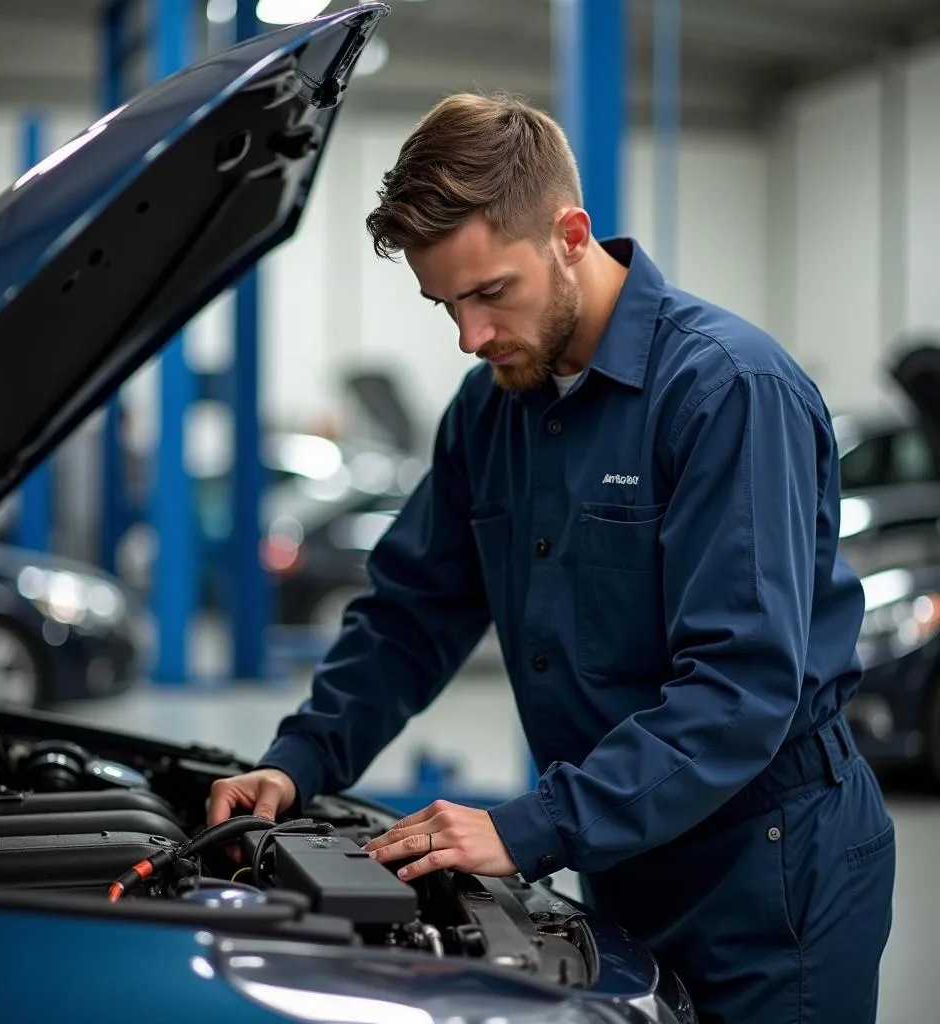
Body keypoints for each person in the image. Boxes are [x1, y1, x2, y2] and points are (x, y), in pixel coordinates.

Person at [207, 93, 896, 1023]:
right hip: (621, 858)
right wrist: (298, 761)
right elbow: (410, 614)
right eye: (446, 303)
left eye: (491, 292)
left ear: (571, 234)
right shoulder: (492, 409)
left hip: (770, 871)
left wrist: (529, 827)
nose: (471, 336)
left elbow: (738, 691)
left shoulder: (726, 391)